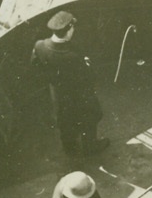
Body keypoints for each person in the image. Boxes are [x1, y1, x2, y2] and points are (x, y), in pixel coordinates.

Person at [31, 11, 108, 156]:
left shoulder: (39, 46)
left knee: (65, 123)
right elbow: (89, 78)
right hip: (79, 95)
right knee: (89, 117)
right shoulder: (73, 55)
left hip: (58, 95)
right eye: (72, 28)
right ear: (68, 31)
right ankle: (90, 146)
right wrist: (86, 64)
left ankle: (71, 151)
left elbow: (36, 67)